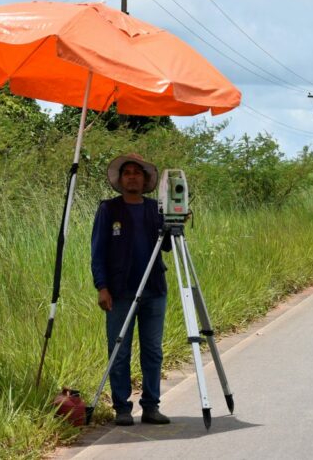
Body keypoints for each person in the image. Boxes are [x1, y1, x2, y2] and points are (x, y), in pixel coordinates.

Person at [91, 153, 172, 426]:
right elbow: (98, 251)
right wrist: (102, 287)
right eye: (128, 173)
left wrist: (173, 223)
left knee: (152, 350)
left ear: (146, 179)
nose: (133, 176)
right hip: (119, 291)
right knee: (119, 351)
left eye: (138, 172)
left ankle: (151, 406)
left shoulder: (155, 208)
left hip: (154, 289)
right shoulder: (108, 209)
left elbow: (168, 248)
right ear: (121, 179)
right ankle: (122, 408)